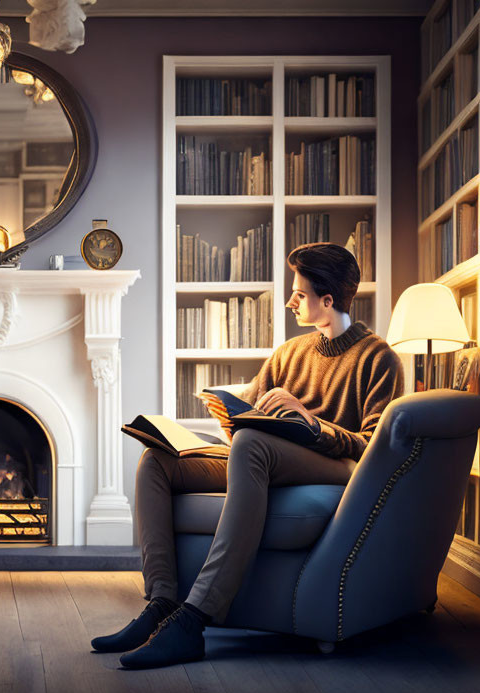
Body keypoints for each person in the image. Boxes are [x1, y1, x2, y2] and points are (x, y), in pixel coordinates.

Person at [91, 242, 404, 669]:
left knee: (251, 445)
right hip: (263, 456)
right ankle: (163, 602)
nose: (292, 301)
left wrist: (307, 421)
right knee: (156, 461)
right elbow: (248, 419)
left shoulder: (378, 358)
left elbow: (371, 444)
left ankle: (194, 618)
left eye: (300, 294)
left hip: (332, 466)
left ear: (328, 300)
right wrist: (227, 411)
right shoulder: (290, 353)